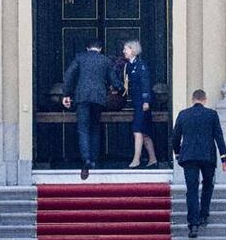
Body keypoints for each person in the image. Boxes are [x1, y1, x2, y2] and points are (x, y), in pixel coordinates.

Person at [172, 89, 226, 238]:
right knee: (208, 185)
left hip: (189, 156)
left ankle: (193, 224)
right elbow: (219, 137)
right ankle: (204, 214)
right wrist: (224, 158)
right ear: (205, 100)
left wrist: (178, 153)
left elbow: (175, 137)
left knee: (191, 189)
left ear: (193, 99)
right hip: (207, 156)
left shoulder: (183, 114)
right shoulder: (212, 115)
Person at [63, 39, 121, 180]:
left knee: (83, 128)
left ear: (88, 48)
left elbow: (69, 75)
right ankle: (94, 160)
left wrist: (66, 94)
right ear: (100, 49)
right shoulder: (105, 60)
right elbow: (114, 80)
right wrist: (121, 87)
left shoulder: (80, 57)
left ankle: (86, 159)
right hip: (99, 98)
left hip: (82, 97)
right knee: (95, 127)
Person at [122, 40, 158, 168]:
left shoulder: (140, 65)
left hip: (143, 103)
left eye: (126, 49)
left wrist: (146, 101)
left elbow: (145, 83)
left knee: (137, 130)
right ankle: (153, 158)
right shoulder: (129, 66)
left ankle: (136, 160)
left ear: (133, 50)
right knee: (144, 132)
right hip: (137, 102)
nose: (124, 51)